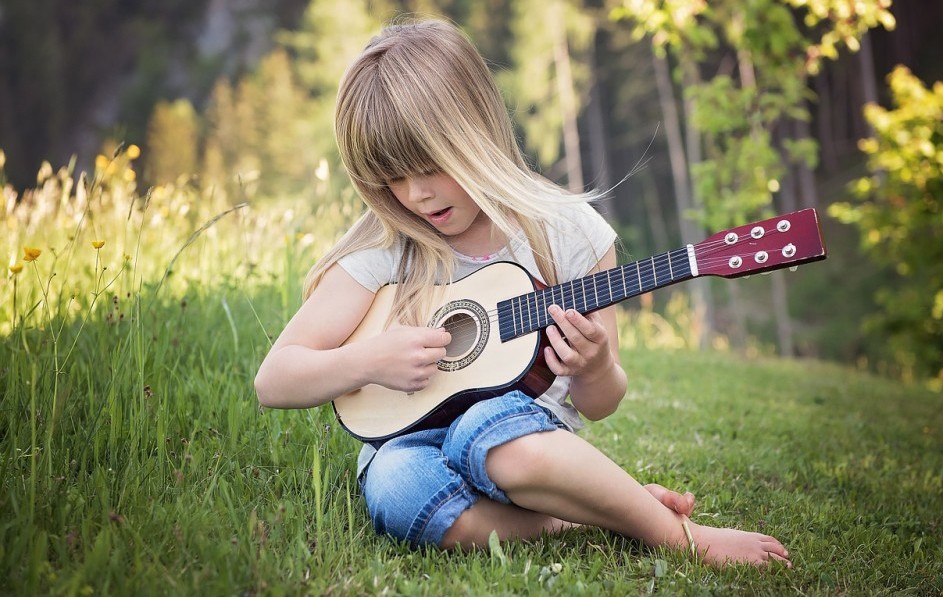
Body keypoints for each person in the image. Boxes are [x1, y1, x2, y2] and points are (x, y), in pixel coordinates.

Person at [254, 18, 791, 568]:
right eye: (393, 178)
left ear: (475, 131)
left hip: (523, 440)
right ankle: (585, 513)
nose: (415, 194)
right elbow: (274, 380)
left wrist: (595, 367)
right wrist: (366, 360)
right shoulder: (386, 247)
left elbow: (600, 404)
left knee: (488, 430)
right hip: (408, 442)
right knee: (392, 488)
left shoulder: (568, 232)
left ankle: (679, 536)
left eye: (430, 166)